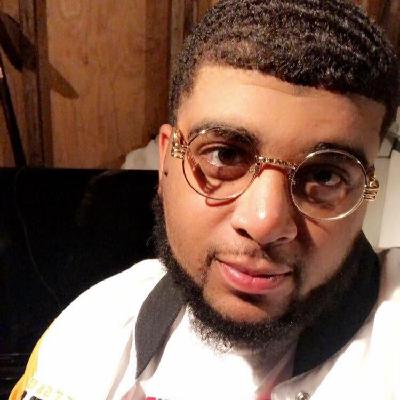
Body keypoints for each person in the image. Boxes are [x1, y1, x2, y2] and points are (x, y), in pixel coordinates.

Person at [10, 0, 400, 399]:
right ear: (166, 161)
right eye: (225, 155)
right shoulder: (90, 337)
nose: (265, 222)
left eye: (324, 176)